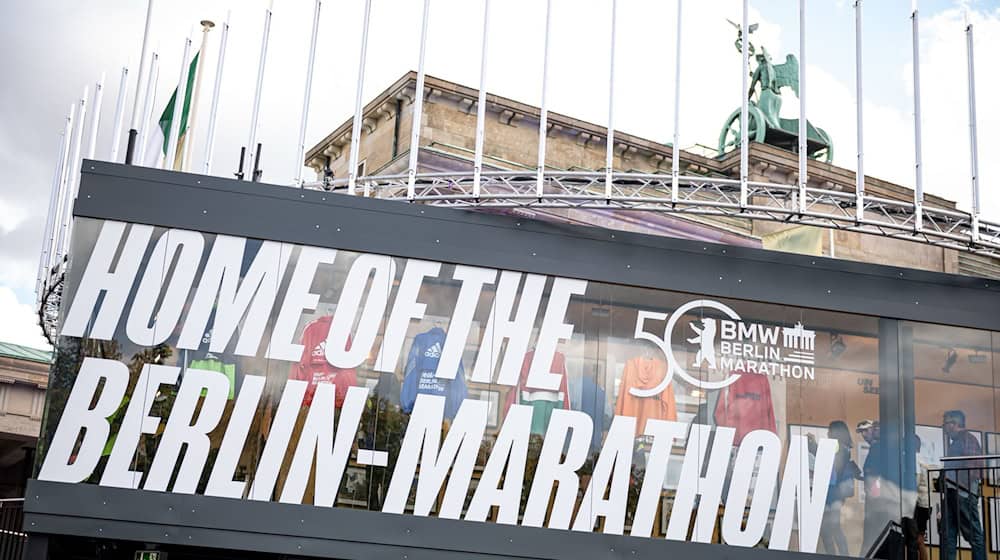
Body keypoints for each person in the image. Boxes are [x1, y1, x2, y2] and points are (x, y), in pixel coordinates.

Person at [939, 410, 985, 560]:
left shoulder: (968, 439)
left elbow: (973, 468)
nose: (943, 427)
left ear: (954, 424)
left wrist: (961, 488)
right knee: (947, 534)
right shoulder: (959, 441)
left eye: (945, 423)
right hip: (954, 491)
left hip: (961, 492)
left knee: (973, 535)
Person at [821, 420, 861, 556]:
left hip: (834, 492)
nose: (827, 433)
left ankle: (842, 555)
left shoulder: (838, 447)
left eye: (829, 430)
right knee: (829, 528)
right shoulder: (844, 447)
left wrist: (812, 445)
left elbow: (825, 457)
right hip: (833, 492)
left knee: (832, 527)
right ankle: (838, 554)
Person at [858, 419, 892, 555]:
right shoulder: (876, 448)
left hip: (877, 500)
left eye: (867, 430)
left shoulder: (880, 448)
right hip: (875, 498)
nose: (864, 435)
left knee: (872, 534)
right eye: (862, 432)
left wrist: (874, 492)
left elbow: (881, 475)